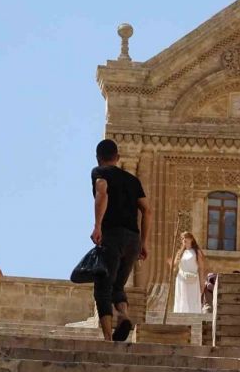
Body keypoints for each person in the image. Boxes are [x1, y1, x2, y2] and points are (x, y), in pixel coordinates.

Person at [91, 139, 152, 342]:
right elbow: (147, 210)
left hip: (113, 235)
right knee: (118, 285)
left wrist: (97, 226)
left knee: (103, 286)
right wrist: (143, 242)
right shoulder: (132, 180)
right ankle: (124, 316)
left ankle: (108, 337)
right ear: (117, 158)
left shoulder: (99, 172)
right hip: (133, 240)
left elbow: (102, 193)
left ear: (98, 158)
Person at [170, 231, 205, 313]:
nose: (184, 239)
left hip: (193, 280)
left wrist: (202, 282)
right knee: (182, 299)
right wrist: (171, 263)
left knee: (192, 299)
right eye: (182, 238)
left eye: (186, 237)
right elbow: (174, 266)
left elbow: (201, 268)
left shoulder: (196, 252)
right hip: (181, 279)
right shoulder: (180, 253)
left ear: (191, 239)